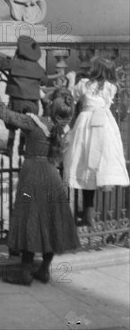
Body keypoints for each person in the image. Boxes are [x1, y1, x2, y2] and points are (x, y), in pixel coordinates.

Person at [0, 83, 80, 285]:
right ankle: (44, 270)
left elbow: (7, 115)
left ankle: (25, 273)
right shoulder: (63, 129)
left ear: (49, 105)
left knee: (30, 218)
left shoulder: (34, 122)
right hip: (52, 174)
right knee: (51, 221)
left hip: (33, 173)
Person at [63, 57, 130, 226]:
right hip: (105, 126)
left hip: (86, 124)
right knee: (100, 160)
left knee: (82, 160)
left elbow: (70, 97)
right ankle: (89, 214)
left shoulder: (84, 84)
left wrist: (71, 80)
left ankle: (82, 213)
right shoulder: (111, 87)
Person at [0, 36, 48, 155]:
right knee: (27, 127)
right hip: (32, 103)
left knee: (12, 126)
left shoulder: (15, 64)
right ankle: (22, 149)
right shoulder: (38, 68)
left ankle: (10, 149)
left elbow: (2, 63)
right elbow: (44, 81)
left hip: (16, 102)